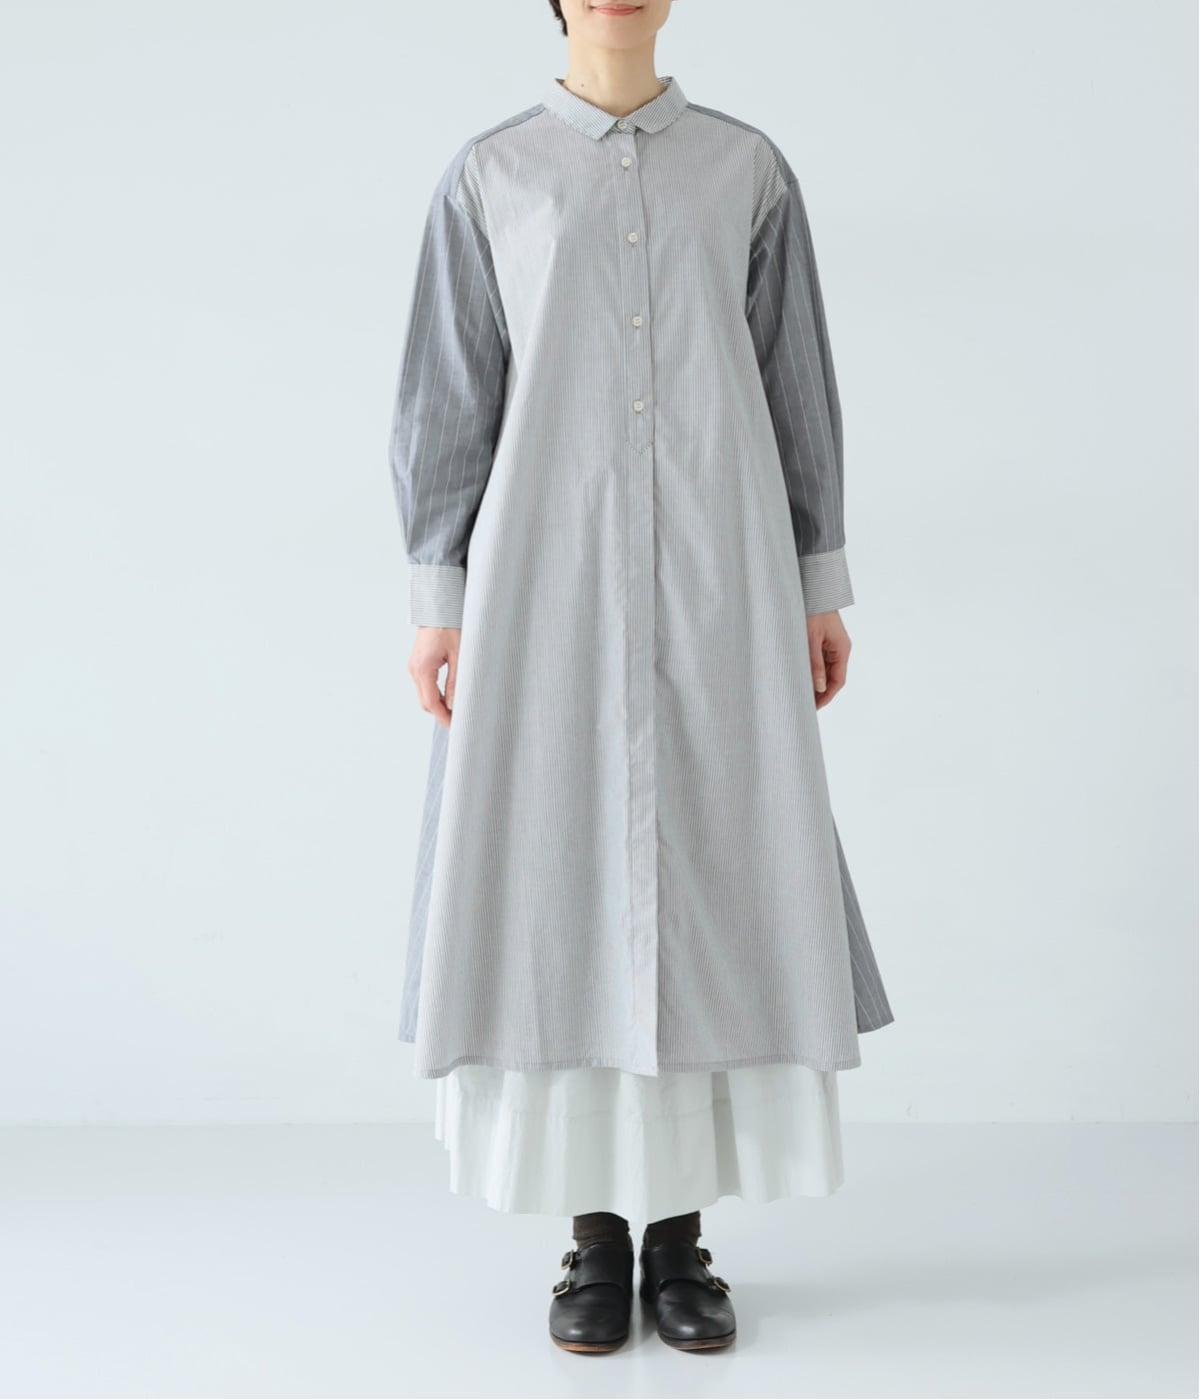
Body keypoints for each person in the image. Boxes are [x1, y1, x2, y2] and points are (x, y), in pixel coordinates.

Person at [388, 0, 893, 1354]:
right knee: (556, 880)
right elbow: (451, 392)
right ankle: (593, 1240)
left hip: (723, 577)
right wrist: (438, 600)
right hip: (541, 587)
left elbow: (797, 383)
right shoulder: (490, 177)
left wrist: (818, 579)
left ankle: (680, 1240)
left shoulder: (747, 171)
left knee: (717, 875)